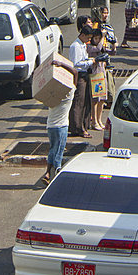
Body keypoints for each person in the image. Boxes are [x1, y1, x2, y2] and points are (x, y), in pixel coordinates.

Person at [43, 55, 78, 185]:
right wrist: (62, 65)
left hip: (50, 126)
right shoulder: (69, 94)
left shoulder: (52, 97)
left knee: (52, 149)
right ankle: (56, 175)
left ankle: (47, 173)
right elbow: (75, 72)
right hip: (61, 127)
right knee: (59, 152)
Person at [69, 23, 94, 138]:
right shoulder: (76, 46)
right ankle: (77, 128)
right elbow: (76, 64)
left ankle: (83, 125)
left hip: (85, 75)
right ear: (82, 35)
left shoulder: (83, 45)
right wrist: (90, 62)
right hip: (79, 76)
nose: (89, 40)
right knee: (78, 103)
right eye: (88, 37)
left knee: (85, 102)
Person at [88, 29, 108, 130]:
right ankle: (94, 121)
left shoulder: (101, 47)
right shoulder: (90, 47)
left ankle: (99, 120)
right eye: (96, 38)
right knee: (95, 99)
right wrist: (102, 37)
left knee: (102, 99)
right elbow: (98, 47)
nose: (97, 40)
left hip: (102, 73)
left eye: (99, 38)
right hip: (95, 75)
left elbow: (110, 51)